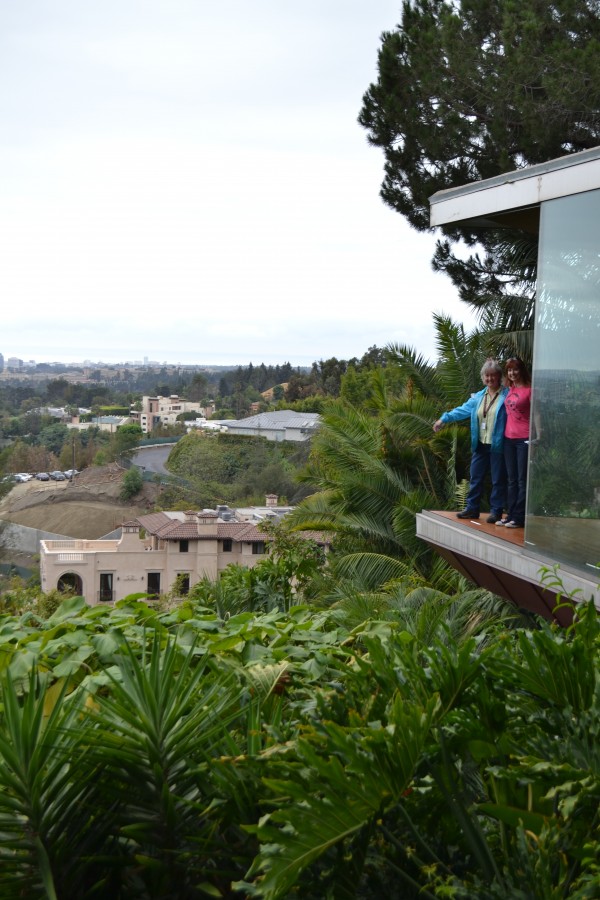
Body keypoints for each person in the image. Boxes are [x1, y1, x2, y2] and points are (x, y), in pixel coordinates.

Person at [433, 359, 507, 523]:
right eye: (487, 376)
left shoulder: (506, 395)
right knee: (475, 477)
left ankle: (496, 511)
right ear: (483, 378)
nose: (490, 379)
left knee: (497, 479)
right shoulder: (479, 397)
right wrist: (443, 419)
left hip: (498, 444)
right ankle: (472, 509)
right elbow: (462, 410)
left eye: (493, 375)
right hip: (480, 444)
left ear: (499, 376)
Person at [496, 357, 535, 529]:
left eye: (515, 369)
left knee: (521, 480)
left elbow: (537, 413)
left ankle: (519, 517)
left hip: (523, 439)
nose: (512, 373)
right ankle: (510, 515)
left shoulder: (530, 390)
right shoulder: (509, 390)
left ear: (521, 370)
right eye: (509, 370)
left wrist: (538, 436)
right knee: (511, 479)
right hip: (508, 439)